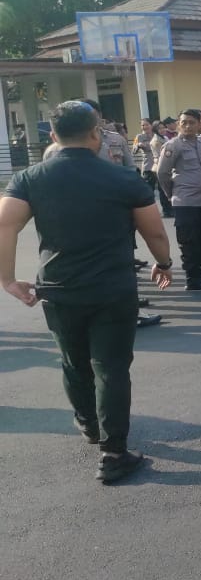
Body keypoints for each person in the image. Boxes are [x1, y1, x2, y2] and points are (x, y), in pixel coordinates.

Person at [0, 100, 172, 483]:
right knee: (111, 367)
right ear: (96, 133)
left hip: (59, 288)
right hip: (113, 288)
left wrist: (7, 279)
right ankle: (114, 452)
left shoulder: (30, 178)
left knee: (73, 362)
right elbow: (155, 232)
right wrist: (164, 263)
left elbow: (4, 224)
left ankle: (90, 425)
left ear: (52, 135)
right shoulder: (122, 178)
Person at [156, 109, 201, 291]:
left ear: (199, 124)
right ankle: (192, 278)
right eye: (183, 122)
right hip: (185, 201)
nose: (187, 126)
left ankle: (198, 272)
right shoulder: (173, 145)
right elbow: (162, 173)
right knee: (189, 241)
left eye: (192, 122)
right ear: (178, 124)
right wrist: (171, 194)